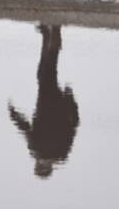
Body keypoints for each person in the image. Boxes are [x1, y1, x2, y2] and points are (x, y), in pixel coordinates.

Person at [8, 24, 79, 179]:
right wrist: (13, 115)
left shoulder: (62, 152)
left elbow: (73, 125)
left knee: (47, 69)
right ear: (40, 165)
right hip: (47, 102)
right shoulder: (38, 149)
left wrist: (70, 99)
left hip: (58, 105)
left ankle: (48, 35)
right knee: (45, 70)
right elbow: (26, 128)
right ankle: (51, 32)